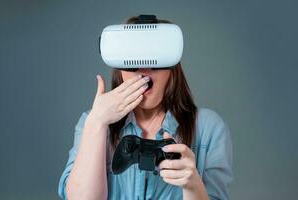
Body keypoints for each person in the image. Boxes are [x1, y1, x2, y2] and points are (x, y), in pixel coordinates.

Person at [58, 16, 233, 200]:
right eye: (132, 61)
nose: (144, 70)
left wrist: (192, 185)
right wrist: (97, 122)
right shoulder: (92, 121)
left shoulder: (208, 128)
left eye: (154, 59)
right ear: (120, 68)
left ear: (172, 68)